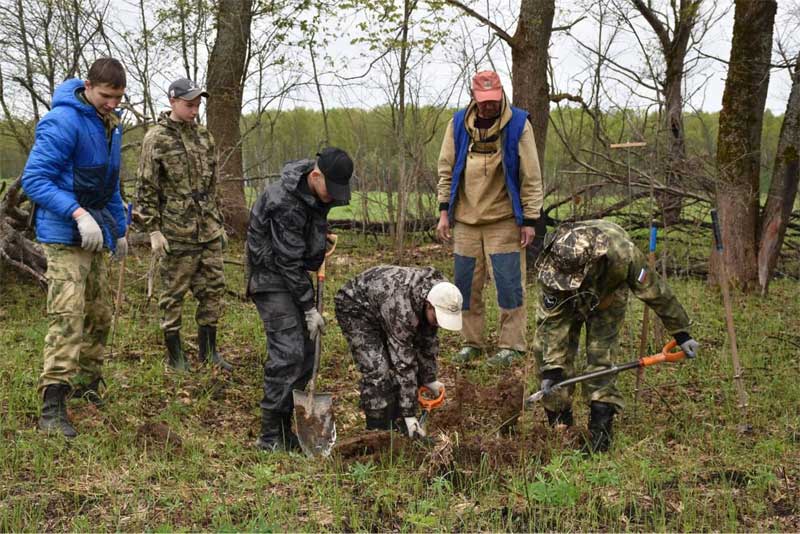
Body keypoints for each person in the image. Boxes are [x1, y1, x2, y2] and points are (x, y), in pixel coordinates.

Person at [21, 58, 129, 438]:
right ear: (88, 86)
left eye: (118, 97)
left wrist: (121, 229)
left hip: (95, 234)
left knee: (99, 313)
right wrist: (77, 213)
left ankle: (87, 383)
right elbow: (34, 179)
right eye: (106, 95)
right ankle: (53, 404)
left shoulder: (110, 126)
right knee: (68, 315)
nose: (112, 103)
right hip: (63, 234)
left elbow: (110, 185)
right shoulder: (62, 121)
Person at [532, 219, 700, 452]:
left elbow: (655, 291)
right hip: (564, 303)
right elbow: (551, 325)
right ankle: (561, 428)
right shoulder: (554, 268)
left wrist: (681, 333)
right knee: (548, 358)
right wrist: (551, 369)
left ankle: (600, 429)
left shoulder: (623, 256)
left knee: (601, 355)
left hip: (607, 295)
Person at [246, 147, 354, 452]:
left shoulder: (316, 192)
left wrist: (319, 239)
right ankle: (269, 436)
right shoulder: (284, 200)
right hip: (269, 276)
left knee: (307, 352)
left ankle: (286, 427)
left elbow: (303, 234)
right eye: (330, 191)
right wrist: (309, 307)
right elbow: (287, 260)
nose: (332, 198)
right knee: (289, 351)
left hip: (291, 276)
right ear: (316, 175)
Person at [436, 70, 544, 366]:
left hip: (504, 221)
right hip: (466, 222)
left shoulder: (520, 124)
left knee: (509, 285)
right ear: (474, 97)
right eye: (483, 101)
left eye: (493, 100)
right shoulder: (457, 124)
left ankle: (512, 345)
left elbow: (531, 176)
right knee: (466, 286)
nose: (488, 106)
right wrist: (444, 212)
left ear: (501, 96)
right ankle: (472, 342)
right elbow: (446, 170)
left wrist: (530, 219)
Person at [137, 78, 230, 372]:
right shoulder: (157, 138)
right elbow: (146, 187)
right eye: (189, 105)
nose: (194, 110)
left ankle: (209, 352)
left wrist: (219, 222)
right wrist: (153, 230)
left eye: (197, 105)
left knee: (213, 290)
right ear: (173, 102)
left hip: (208, 230)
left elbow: (214, 184)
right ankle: (176, 357)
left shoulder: (204, 137)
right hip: (176, 232)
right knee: (173, 295)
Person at [334, 266, 463, 437]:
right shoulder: (402, 309)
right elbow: (403, 362)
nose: (439, 324)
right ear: (429, 306)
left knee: (404, 360)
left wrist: (429, 378)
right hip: (356, 307)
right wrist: (409, 414)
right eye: (438, 318)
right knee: (378, 369)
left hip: (383, 305)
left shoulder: (444, 294)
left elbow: (427, 341)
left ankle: (398, 418)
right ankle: (378, 428)